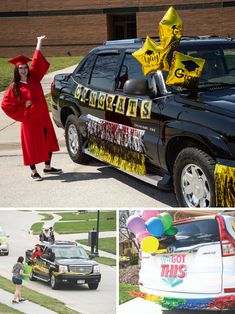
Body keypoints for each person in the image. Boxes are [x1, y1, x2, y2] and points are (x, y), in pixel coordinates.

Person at [1, 35, 62, 181]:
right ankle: (34, 171)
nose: (23, 70)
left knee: (48, 141)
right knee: (32, 145)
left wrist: (39, 42)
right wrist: (24, 110)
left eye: (25, 68)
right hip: (30, 120)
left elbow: (36, 60)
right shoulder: (14, 87)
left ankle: (47, 167)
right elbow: (5, 105)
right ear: (17, 71)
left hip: (42, 117)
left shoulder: (34, 78)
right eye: (20, 68)